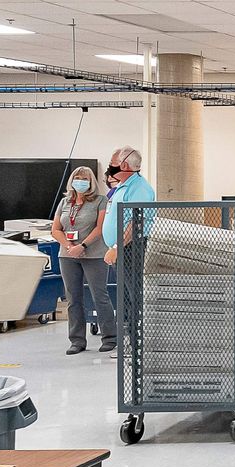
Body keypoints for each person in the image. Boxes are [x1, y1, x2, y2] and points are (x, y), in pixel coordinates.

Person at [51, 165, 116, 355]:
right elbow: (55, 229)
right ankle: (77, 340)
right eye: (77, 178)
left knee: (99, 296)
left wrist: (83, 246)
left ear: (91, 182)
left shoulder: (100, 201)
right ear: (72, 181)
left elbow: (100, 228)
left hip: (94, 254)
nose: (81, 181)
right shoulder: (65, 202)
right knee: (73, 298)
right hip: (68, 255)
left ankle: (110, 337)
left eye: (85, 179)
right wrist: (71, 247)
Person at [100, 146, 156, 351]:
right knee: (126, 296)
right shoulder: (122, 186)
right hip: (122, 249)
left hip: (132, 248)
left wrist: (116, 247)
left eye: (113, 163)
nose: (110, 167)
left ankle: (138, 344)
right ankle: (130, 342)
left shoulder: (139, 188)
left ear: (123, 165)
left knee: (135, 295)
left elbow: (135, 222)